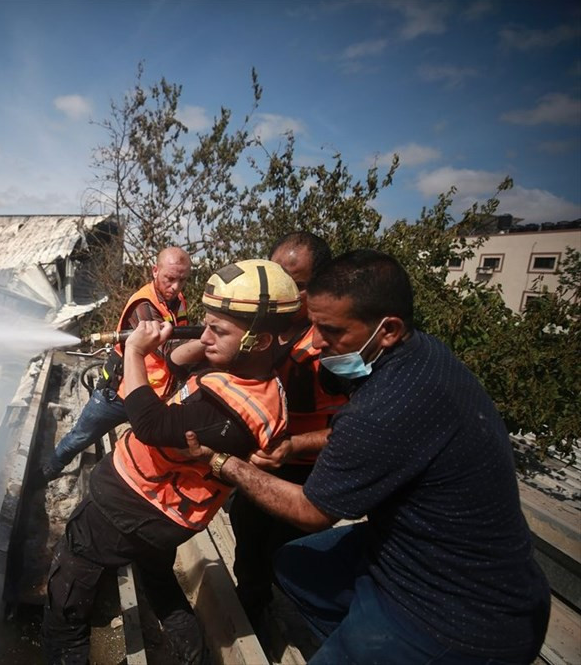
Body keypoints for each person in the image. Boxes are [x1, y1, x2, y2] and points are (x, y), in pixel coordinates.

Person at [186, 249, 551, 664]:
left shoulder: (387, 404)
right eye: (314, 323)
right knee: (294, 566)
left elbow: (312, 511)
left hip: (458, 612)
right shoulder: (419, 355)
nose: (318, 342)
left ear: (388, 329)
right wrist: (294, 445)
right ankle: (360, 632)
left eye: (332, 330)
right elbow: (359, 433)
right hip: (410, 551)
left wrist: (222, 462)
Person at [42, 259, 301, 664]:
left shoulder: (229, 407)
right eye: (205, 324)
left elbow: (147, 423)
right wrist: (201, 338)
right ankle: (191, 655)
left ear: (261, 340)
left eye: (218, 329)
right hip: (166, 513)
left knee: (70, 581)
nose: (205, 335)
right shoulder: (248, 373)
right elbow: (178, 362)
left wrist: (133, 350)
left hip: (133, 505)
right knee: (158, 578)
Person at [228, 232, 348, 632]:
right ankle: (253, 610)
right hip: (260, 466)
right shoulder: (263, 327)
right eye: (278, 278)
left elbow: (358, 429)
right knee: (248, 543)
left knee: (284, 556)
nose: (285, 292)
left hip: (306, 475)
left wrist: (295, 444)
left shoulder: (334, 346)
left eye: (297, 285)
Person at [41, 246, 191, 481]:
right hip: (118, 394)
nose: (176, 287)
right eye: (170, 279)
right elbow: (170, 352)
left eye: (182, 280)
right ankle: (49, 470)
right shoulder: (143, 305)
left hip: (150, 396)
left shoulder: (178, 300)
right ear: (155, 271)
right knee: (81, 436)